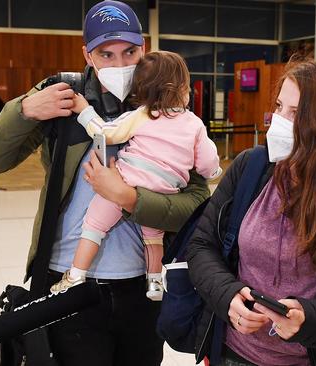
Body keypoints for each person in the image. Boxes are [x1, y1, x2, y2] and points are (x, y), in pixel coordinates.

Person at [0, 1, 210, 365]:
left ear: (144, 48)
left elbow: (196, 201)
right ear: (86, 53)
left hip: (142, 286)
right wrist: (23, 110)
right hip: (70, 283)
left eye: (130, 52)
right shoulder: (62, 95)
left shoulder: (168, 105)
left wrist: (129, 198)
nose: (120, 65)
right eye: (106, 54)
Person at [186, 60, 316, 365]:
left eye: (296, 113)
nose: (279, 122)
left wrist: (308, 320)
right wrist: (229, 296)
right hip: (232, 353)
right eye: (278, 107)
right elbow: (201, 247)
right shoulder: (251, 168)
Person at [49, 51, 221, 301]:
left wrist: (84, 110)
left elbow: (105, 133)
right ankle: (154, 283)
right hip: (163, 193)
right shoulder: (194, 123)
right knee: (153, 238)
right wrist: (214, 171)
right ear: (182, 89)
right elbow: (207, 163)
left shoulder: (142, 114)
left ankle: (76, 274)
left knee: (94, 226)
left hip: (126, 181)